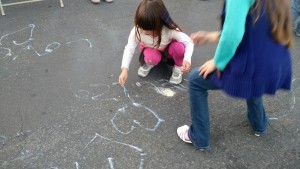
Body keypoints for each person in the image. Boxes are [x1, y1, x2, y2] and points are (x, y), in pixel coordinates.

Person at [177, 0, 294, 150]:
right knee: (253, 82)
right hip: (274, 62)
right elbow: (252, 27)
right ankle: (259, 124)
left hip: (252, 65)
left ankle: (199, 137)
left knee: (195, 80)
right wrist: (212, 36)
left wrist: (218, 62)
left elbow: (233, 35)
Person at [118, 0, 194, 87]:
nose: (147, 34)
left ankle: (178, 68)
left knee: (179, 48)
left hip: (167, 52)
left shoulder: (169, 30)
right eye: (145, 33)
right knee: (151, 57)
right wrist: (124, 69)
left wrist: (187, 59)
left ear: (161, 25)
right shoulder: (138, 30)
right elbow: (129, 48)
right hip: (152, 50)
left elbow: (189, 42)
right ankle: (150, 62)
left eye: (152, 33)